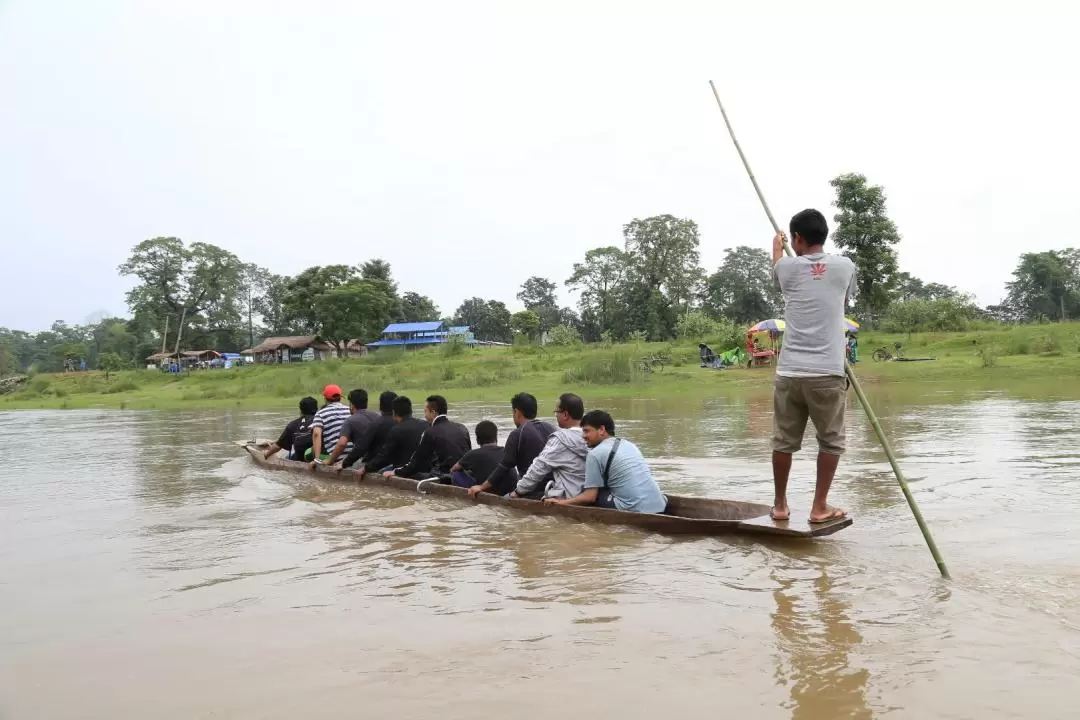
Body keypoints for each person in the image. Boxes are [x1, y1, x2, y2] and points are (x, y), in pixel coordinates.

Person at [769, 209, 858, 524]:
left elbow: (778, 268)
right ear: (824, 235)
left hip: (790, 373)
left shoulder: (787, 269)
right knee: (831, 441)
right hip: (827, 373)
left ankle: (780, 506)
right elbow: (844, 297)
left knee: (783, 441)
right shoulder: (845, 266)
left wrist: (777, 246)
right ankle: (819, 506)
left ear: (797, 238)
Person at [546, 410, 666, 513]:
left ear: (602, 430)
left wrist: (562, 503)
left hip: (634, 509)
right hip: (660, 504)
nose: (583, 436)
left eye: (587, 431)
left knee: (586, 491)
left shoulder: (595, 453)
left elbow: (589, 497)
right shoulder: (629, 445)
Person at [467, 392, 555, 498]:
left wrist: (481, 487)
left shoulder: (517, 433)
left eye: (513, 413)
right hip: (554, 489)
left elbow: (504, 467)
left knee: (505, 500)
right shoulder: (551, 429)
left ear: (517, 412)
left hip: (532, 492)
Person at [510, 392, 588, 501]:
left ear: (565, 415)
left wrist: (518, 491)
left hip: (566, 497)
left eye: (557, 412)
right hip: (586, 496)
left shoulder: (560, 439)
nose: (555, 415)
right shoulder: (591, 437)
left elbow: (538, 468)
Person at [386, 395, 471, 479]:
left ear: (433, 412)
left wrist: (395, 472)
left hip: (444, 477)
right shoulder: (462, 427)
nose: (425, 416)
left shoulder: (430, 432)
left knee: (410, 474)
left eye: (425, 412)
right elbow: (469, 455)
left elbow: (416, 462)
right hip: (466, 475)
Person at [363, 395, 428, 475]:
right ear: (410, 411)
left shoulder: (397, 430)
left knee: (381, 473)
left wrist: (366, 468)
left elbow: (384, 455)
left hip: (404, 470)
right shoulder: (425, 424)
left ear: (394, 413)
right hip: (426, 469)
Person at [341, 390, 397, 470]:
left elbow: (361, 447)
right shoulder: (401, 423)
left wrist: (344, 463)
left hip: (376, 464)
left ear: (380, 406)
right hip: (396, 463)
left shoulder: (377, 423)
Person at [325, 389, 380, 466]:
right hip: (381, 459)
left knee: (338, 467)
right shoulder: (377, 416)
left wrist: (330, 461)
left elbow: (342, 443)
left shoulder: (350, 421)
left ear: (352, 404)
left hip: (366, 460)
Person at [450, 420, 509, 489]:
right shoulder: (506, 451)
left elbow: (453, 469)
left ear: (477, 440)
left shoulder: (473, 454)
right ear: (496, 438)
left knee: (456, 474)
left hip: (488, 490)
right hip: (509, 489)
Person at [309, 384, 351, 465]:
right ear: (340, 398)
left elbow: (316, 434)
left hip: (335, 457)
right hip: (353, 455)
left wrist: (316, 459)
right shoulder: (349, 410)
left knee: (307, 454)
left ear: (325, 398)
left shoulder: (321, 413)